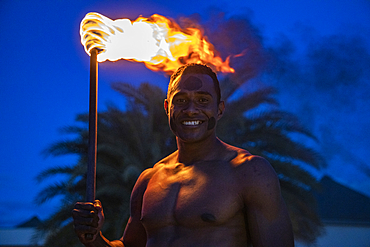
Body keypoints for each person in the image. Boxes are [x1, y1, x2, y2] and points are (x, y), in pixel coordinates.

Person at [73, 63, 294, 247]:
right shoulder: (149, 180)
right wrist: (94, 238)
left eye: (203, 100)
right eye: (180, 100)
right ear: (167, 107)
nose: (190, 109)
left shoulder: (248, 172)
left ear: (219, 109)